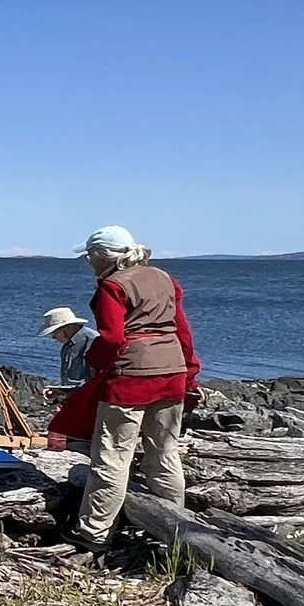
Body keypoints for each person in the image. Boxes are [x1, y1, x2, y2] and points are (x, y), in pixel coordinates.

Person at [67, 225, 201, 550]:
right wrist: (191, 375)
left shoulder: (113, 286)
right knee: (164, 454)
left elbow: (112, 338)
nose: (87, 262)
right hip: (172, 372)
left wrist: (94, 358)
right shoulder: (165, 278)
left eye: (89, 256)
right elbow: (182, 331)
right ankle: (175, 531)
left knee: (112, 458)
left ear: (102, 257)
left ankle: (94, 533)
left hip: (132, 378)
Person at [38, 306, 97, 395]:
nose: (53, 337)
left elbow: (98, 377)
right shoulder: (66, 347)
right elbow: (70, 381)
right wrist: (60, 391)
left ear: (66, 328)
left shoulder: (94, 340)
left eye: (54, 333)